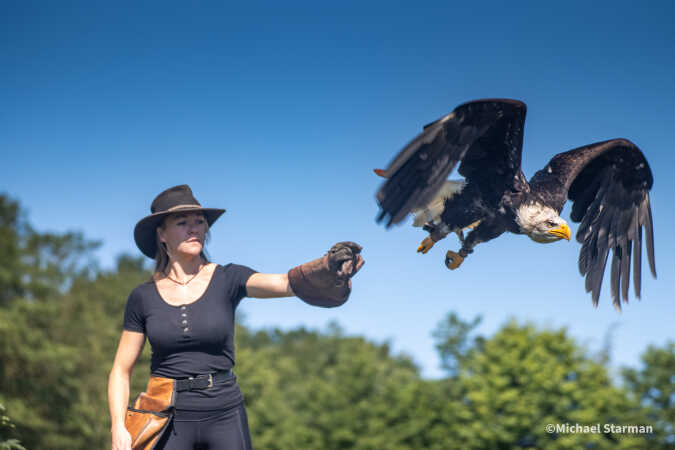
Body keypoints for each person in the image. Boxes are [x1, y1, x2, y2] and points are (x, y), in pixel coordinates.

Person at [108, 185, 364, 450]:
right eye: (182, 222)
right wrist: (118, 426)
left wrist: (325, 267)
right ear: (161, 234)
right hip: (168, 416)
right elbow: (120, 370)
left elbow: (285, 283)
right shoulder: (143, 296)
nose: (194, 228)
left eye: (199, 222)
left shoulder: (229, 278)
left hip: (224, 412)